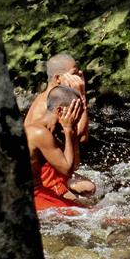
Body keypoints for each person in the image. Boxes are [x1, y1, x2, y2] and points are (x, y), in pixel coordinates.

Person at [24, 53, 95, 200]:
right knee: (81, 207)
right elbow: (81, 138)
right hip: (44, 176)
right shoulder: (46, 108)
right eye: (74, 74)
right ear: (58, 78)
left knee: (89, 189)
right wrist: (81, 96)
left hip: (56, 164)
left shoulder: (57, 98)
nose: (79, 79)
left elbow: (78, 140)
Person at [25, 85, 85, 211]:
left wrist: (71, 132)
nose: (77, 118)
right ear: (60, 111)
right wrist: (68, 130)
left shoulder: (50, 133)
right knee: (88, 215)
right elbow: (67, 169)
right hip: (32, 196)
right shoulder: (39, 133)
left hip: (39, 192)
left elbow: (74, 166)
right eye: (75, 112)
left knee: (84, 209)